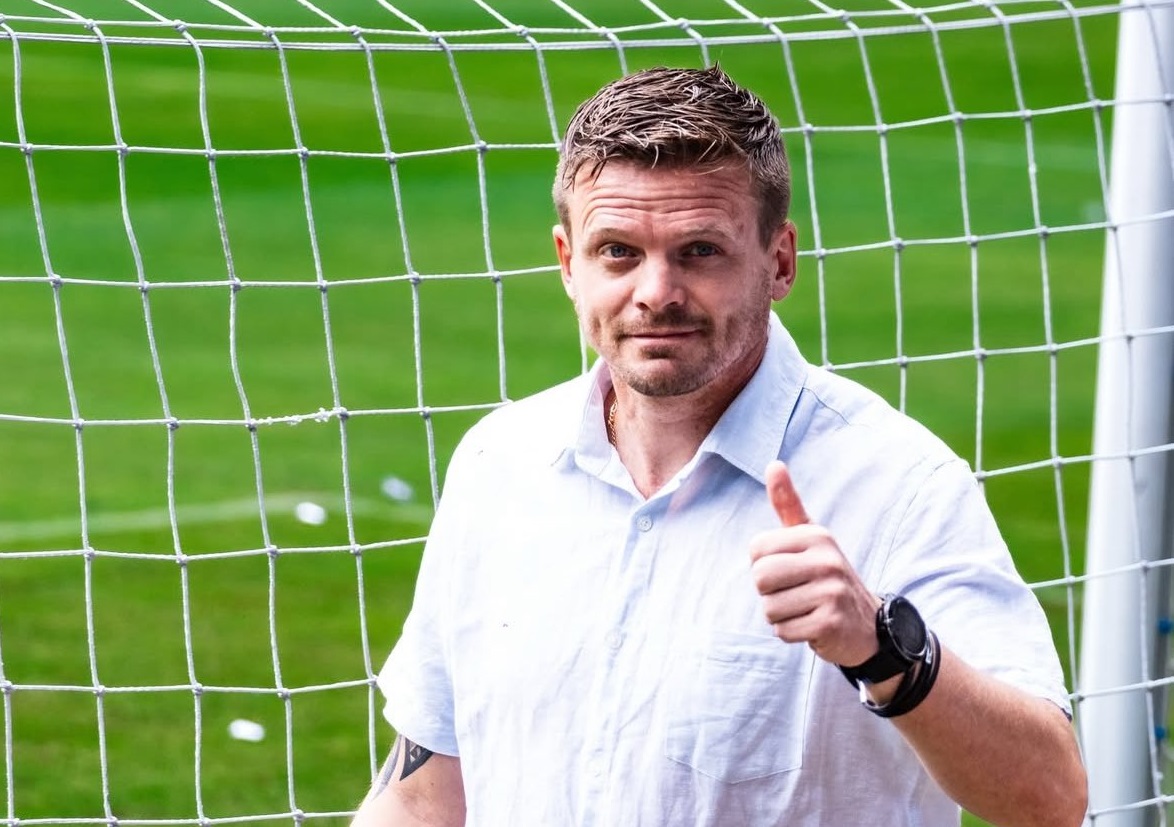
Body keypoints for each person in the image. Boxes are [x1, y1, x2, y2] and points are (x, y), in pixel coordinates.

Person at [350, 65, 1087, 826]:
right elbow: (423, 793)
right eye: (618, 251)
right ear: (569, 263)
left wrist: (882, 646)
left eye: (699, 250)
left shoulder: (897, 486)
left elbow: (1051, 796)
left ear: (780, 261)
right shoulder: (500, 464)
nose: (656, 292)